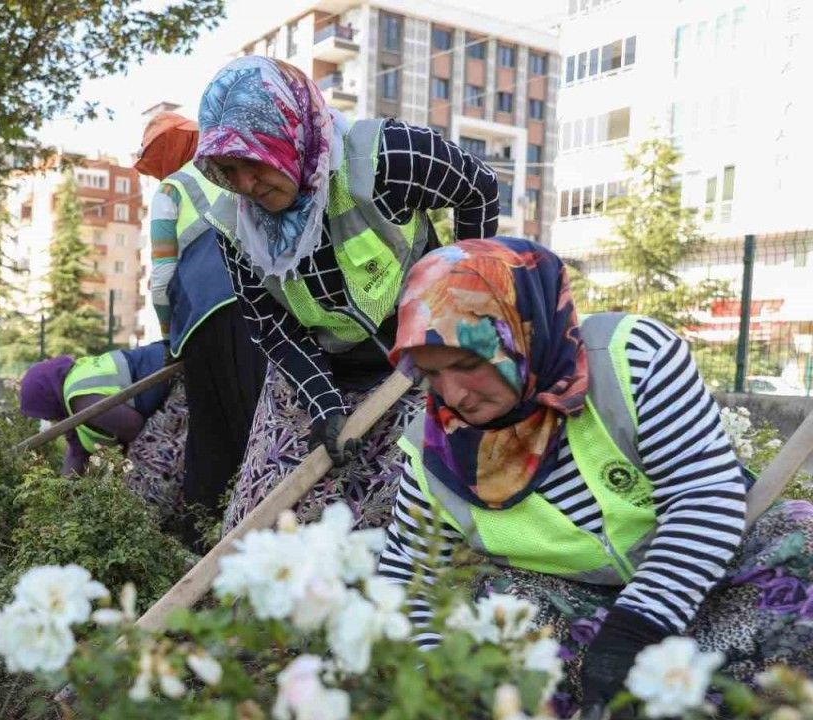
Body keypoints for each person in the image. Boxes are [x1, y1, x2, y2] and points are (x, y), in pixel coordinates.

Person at [375, 237, 813, 715]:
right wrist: (436, 690)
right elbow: (407, 580)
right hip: (585, 621)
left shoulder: (632, 358)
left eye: (468, 363)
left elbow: (703, 498)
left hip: (712, 577)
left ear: (523, 333)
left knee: (801, 535)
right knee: (498, 608)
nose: (454, 395)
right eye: (434, 374)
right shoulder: (434, 450)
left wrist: (634, 632)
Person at [192, 56, 500, 531]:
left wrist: (458, 308)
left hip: (419, 357)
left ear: (288, 134)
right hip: (320, 365)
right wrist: (323, 402)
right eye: (228, 170)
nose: (245, 185)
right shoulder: (236, 226)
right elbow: (272, 327)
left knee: (400, 513)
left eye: (253, 160)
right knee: (263, 520)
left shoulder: (386, 157)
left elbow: (477, 189)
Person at [134, 111, 267, 541]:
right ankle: (269, 531)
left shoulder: (171, 189)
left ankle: (200, 540)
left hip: (199, 321)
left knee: (210, 441)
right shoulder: (241, 171)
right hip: (262, 304)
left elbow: (161, 279)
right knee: (260, 427)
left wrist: (169, 339)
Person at [19, 341, 187, 523]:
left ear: (47, 400)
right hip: (170, 377)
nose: (49, 418)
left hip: (178, 378)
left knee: (150, 486)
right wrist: (59, 506)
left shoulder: (79, 398)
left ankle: (183, 520)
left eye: (45, 413)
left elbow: (134, 428)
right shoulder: (73, 397)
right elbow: (76, 455)